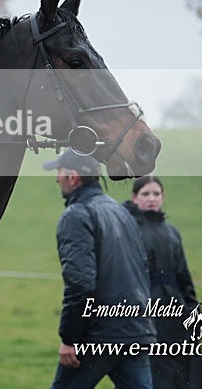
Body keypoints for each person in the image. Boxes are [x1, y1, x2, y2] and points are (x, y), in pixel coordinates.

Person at [44, 149, 156, 389]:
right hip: (135, 330)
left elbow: (80, 283)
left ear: (73, 177)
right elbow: (140, 272)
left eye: (59, 172)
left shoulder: (76, 215)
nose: (56, 178)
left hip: (98, 336)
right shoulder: (122, 212)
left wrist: (70, 339)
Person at [123, 176, 202, 388]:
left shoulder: (172, 233)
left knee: (183, 371)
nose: (151, 199)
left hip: (175, 310)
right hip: (145, 311)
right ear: (135, 198)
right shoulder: (129, 230)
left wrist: (193, 311)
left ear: (163, 197)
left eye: (156, 194)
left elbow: (183, 277)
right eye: (145, 194)